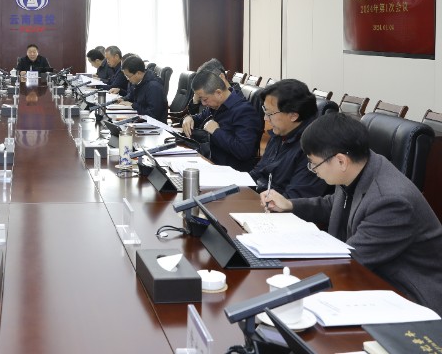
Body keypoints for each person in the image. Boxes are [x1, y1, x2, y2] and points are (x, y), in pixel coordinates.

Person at [261, 113, 442, 315]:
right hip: (368, 277)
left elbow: (352, 260)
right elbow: (335, 204)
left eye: (313, 163)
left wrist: (286, 266)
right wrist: (290, 205)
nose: (312, 169)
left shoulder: (391, 201)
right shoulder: (360, 166)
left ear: (341, 161)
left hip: (407, 298)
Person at [249, 79, 327, 198]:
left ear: (293, 116)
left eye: (269, 113)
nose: (265, 118)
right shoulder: (281, 132)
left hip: (279, 206)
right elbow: (259, 171)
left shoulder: (313, 147)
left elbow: (296, 198)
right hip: (261, 197)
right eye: (265, 111)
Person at [182, 69, 262, 171]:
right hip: (209, 162)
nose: (203, 103)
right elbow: (198, 119)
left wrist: (216, 131)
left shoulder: (245, 111)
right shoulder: (215, 105)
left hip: (230, 171)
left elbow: (244, 151)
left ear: (218, 93)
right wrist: (188, 118)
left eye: (205, 99)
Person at [115, 55, 167, 122]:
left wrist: (133, 105)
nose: (127, 79)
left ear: (138, 73)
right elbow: (131, 96)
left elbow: (153, 115)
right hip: (141, 119)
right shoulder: (138, 82)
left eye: (128, 76)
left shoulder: (154, 87)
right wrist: (123, 99)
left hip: (154, 125)